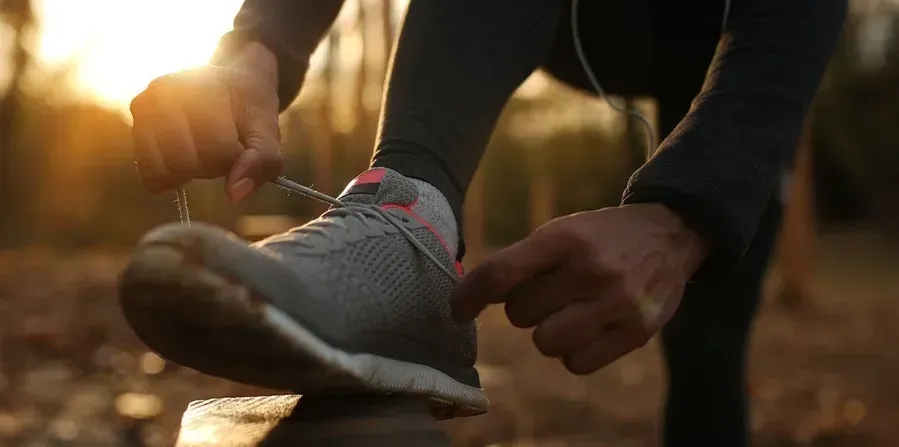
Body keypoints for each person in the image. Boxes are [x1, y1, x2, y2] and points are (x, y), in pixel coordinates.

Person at [118, 0, 846, 445]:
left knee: (708, 345)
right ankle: (409, 220)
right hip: (554, 13)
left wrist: (686, 214)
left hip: (733, 27)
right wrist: (256, 48)